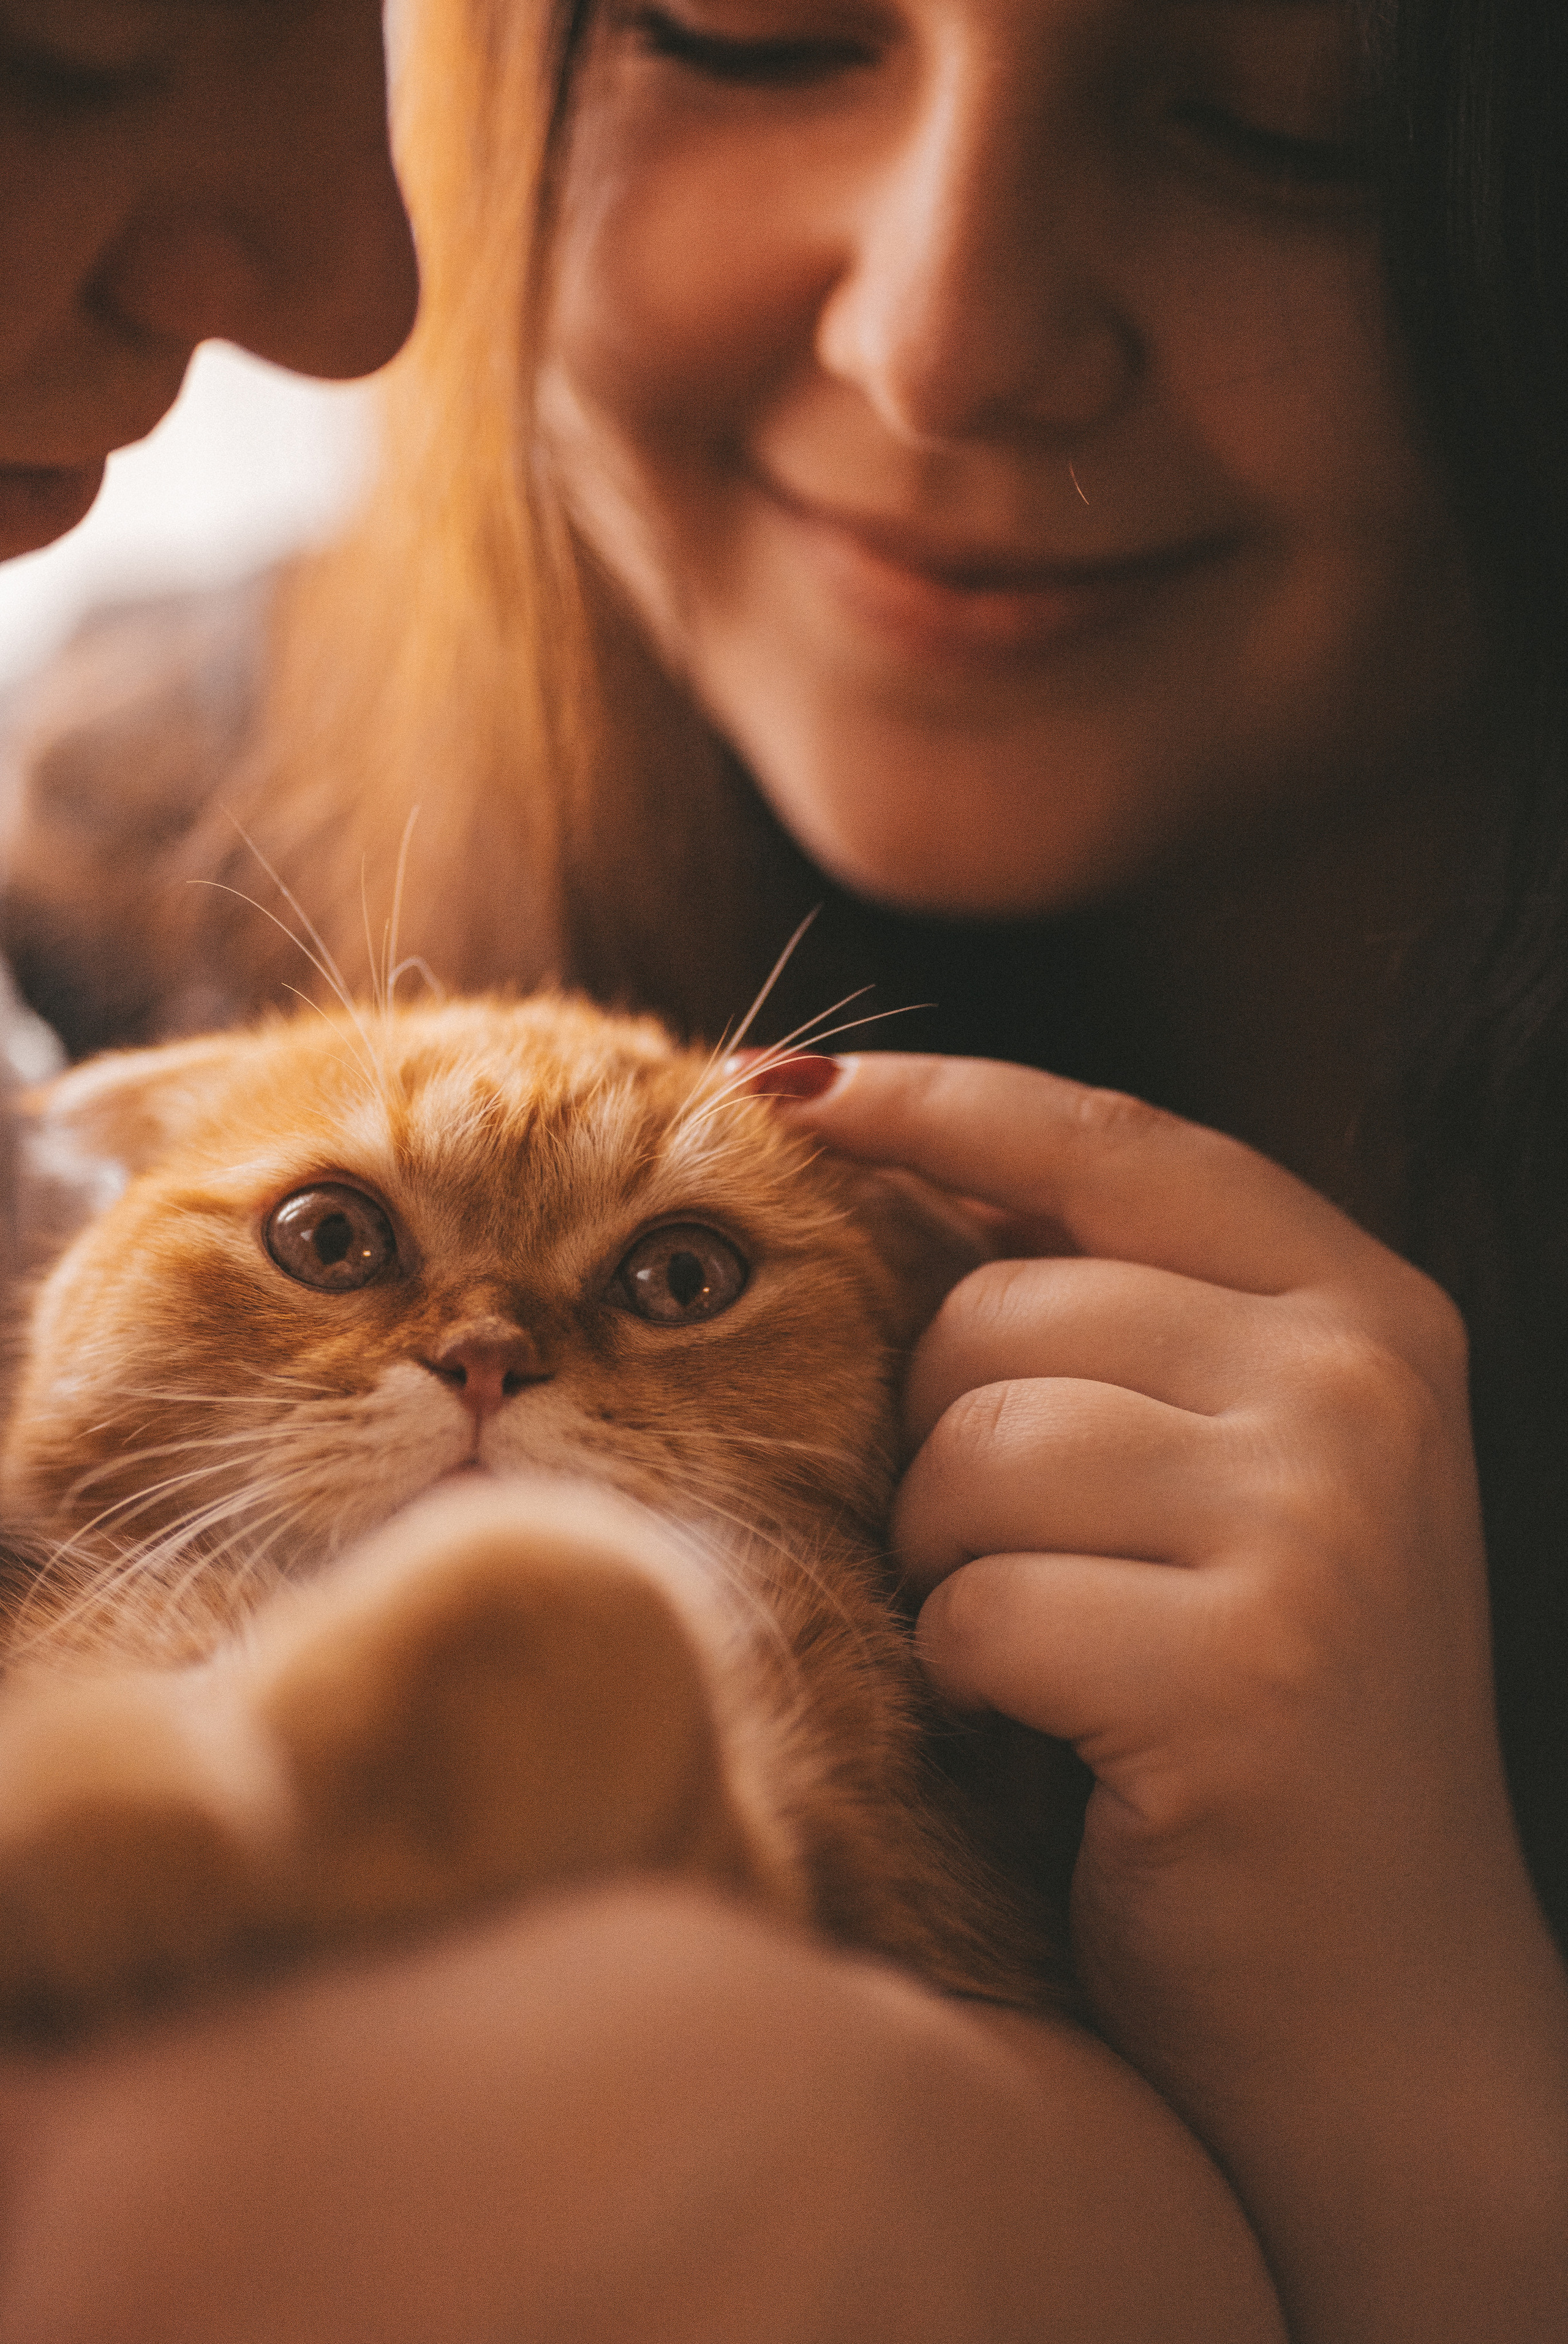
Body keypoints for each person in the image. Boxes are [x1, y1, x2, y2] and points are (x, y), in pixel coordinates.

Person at [0, 4, 1564, 2343]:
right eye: (758, 30)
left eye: (1276, 121)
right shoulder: (118, 867)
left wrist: (1437, 2105)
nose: (939, 345)